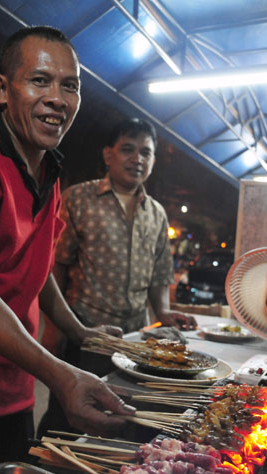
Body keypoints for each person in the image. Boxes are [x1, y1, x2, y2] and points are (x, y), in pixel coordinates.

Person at [0, 26, 134, 474]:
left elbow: (37, 271)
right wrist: (60, 374)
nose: (57, 98)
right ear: (3, 89)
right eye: (40, 81)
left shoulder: (48, 169)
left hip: (14, 394)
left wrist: (81, 333)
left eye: (70, 85)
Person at [38, 117, 197, 436]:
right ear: (108, 154)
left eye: (145, 152)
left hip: (134, 341)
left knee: (120, 418)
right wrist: (55, 329)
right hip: (86, 335)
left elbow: (159, 275)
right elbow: (55, 266)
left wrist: (163, 312)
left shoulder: (156, 213)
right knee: (66, 418)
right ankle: (45, 472)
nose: (137, 159)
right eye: (127, 149)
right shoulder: (78, 198)